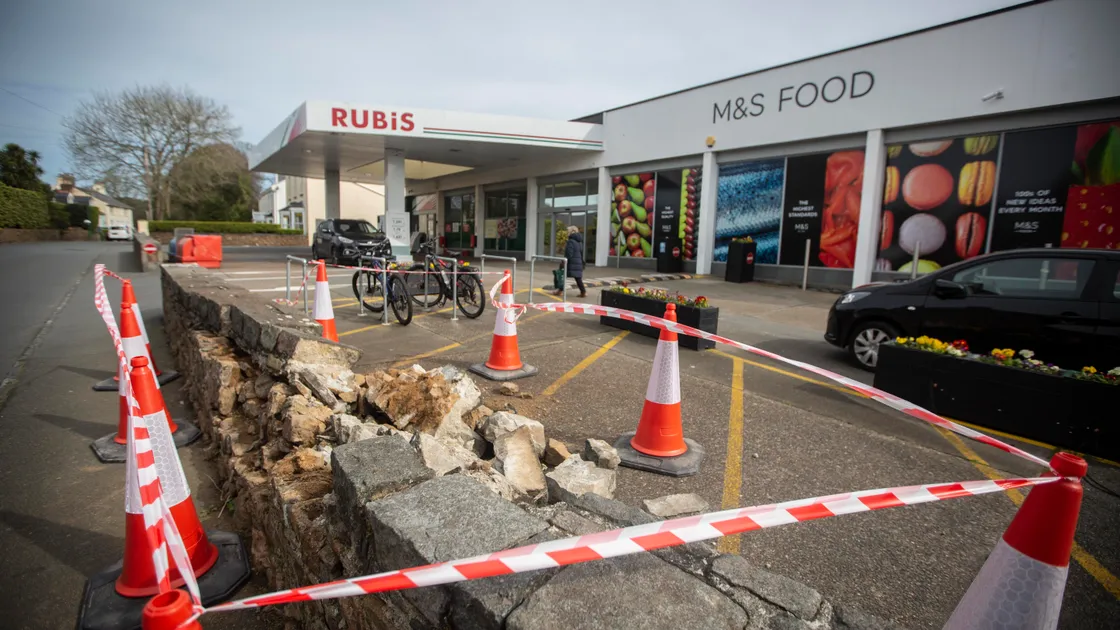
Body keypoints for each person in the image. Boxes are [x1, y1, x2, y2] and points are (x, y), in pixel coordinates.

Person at [558, 225, 586, 298]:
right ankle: (583, 292)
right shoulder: (579, 242)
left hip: (572, 262)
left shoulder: (571, 241)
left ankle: (559, 291)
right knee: (577, 278)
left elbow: (569, 253)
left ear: (571, 232)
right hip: (578, 262)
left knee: (563, 276)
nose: (567, 233)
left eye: (568, 231)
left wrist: (564, 261)